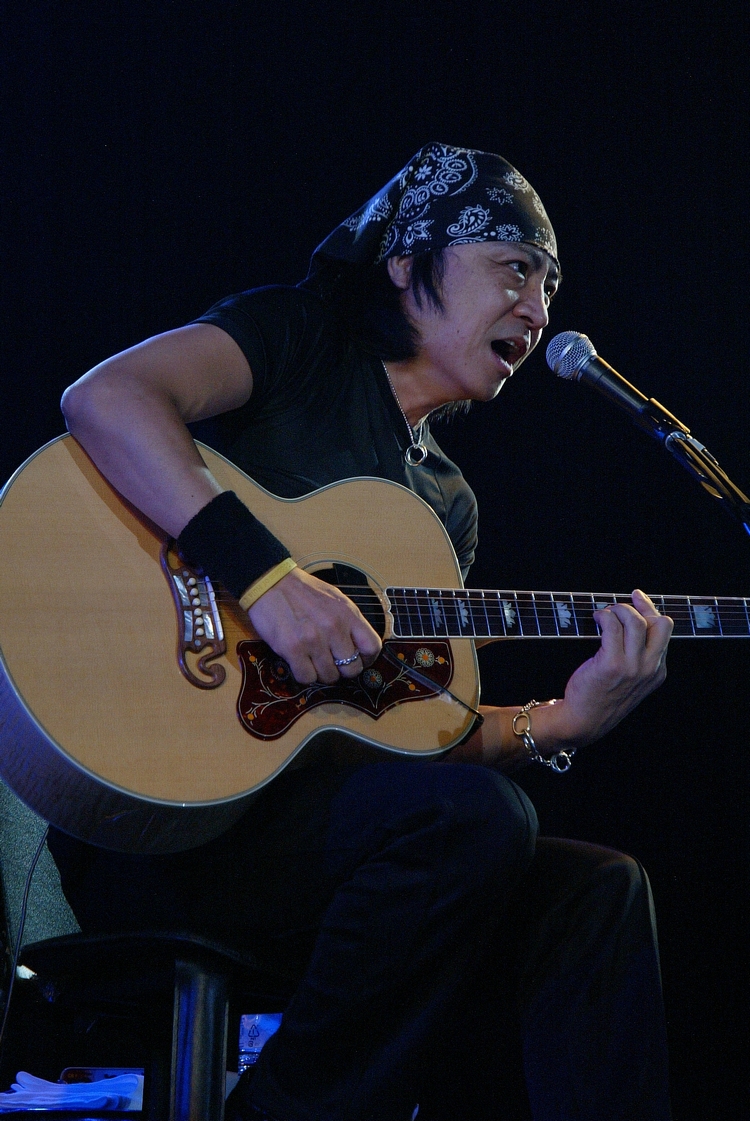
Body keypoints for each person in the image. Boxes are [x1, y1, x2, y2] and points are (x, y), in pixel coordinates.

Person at [51, 143, 674, 1120]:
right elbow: (106, 397)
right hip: (168, 818)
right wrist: (267, 578)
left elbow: (417, 739)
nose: (538, 309)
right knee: (473, 822)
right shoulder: (295, 340)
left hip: (324, 842)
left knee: (598, 888)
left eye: (550, 285)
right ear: (407, 260)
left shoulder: (446, 504)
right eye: (514, 267)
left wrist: (563, 720)